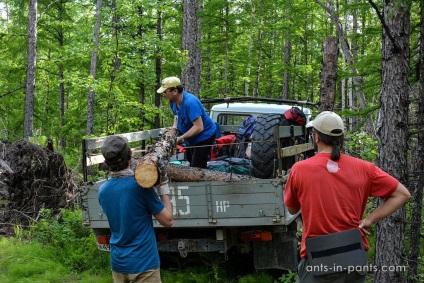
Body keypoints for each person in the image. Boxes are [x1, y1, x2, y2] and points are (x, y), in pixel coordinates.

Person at [283, 111, 410, 283]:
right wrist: (369, 219)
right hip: (353, 257)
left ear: (316, 138)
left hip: (319, 258)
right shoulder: (365, 169)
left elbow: (292, 208)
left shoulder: (300, 169)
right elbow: (402, 194)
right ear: (341, 138)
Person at [98, 135, 173, 283]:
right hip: (144, 265)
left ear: (107, 162)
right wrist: (163, 186)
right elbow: (168, 220)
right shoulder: (140, 188)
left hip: (119, 264)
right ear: (130, 157)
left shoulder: (103, 190)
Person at [157, 76, 216, 168]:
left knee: (197, 166)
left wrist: (181, 138)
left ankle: (201, 181)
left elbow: (199, 127)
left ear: (175, 91)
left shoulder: (190, 103)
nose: (164, 95)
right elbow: (177, 115)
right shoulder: (173, 102)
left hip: (204, 136)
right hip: (191, 137)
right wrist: (174, 128)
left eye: (165, 92)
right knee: (189, 160)